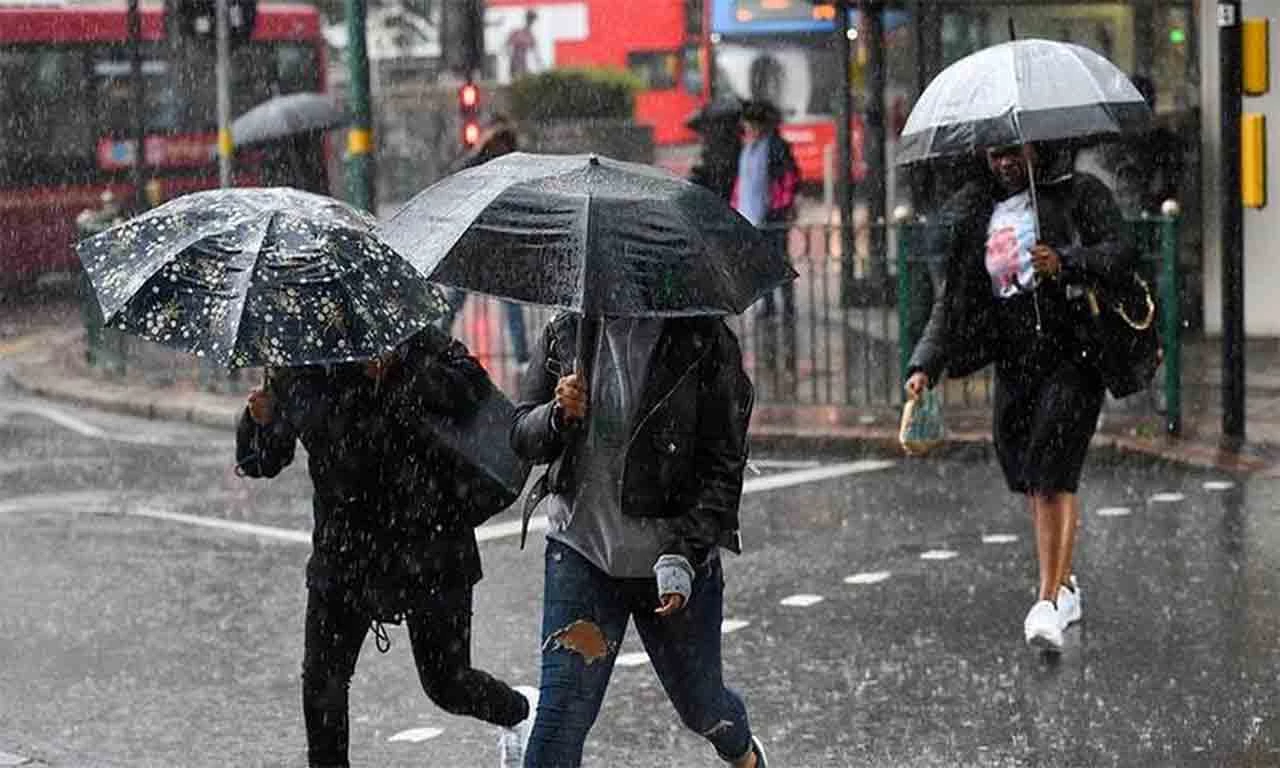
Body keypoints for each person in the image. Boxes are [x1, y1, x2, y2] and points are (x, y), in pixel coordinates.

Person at [235, 325, 537, 768]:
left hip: (430, 546)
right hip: (344, 553)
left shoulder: (410, 336)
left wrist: (400, 370)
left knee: (447, 683)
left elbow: (472, 388)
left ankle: (522, 712)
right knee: (323, 684)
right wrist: (258, 424)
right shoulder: (297, 364)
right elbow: (263, 462)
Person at [510, 313, 769, 768]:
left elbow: (724, 466)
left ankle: (744, 754)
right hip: (581, 552)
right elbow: (521, 433)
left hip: (670, 566)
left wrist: (686, 552)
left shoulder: (704, 339)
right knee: (558, 724)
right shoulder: (567, 328)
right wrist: (555, 416)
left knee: (702, 706)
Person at [904, 141, 1131, 654]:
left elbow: (1121, 251)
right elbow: (955, 298)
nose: (1005, 162)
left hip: (1074, 352)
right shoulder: (978, 211)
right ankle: (1066, 585)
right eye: (995, 154)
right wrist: (925, 364)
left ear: (1039, 145)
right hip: (1014, 357)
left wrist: (1067, 261)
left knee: (1053, 469)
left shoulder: (1078, 195)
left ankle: (1047, 601)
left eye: (1015, 151)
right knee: (1026, 471)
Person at [440, 116, 530, 367]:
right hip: (475, 245)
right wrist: (479, 149)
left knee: (511, 306)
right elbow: (457, 177)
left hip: (499, 246)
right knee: (455, 302)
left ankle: (522, 357)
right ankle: (436, 344)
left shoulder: (514, 167)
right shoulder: (477, 163)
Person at [731, 100, 798, 383]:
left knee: (777, 260)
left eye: (749, 122)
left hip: (770, 217)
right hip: (754, 216)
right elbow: (742, 183)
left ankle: (783, 305)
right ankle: (769, 304)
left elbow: (788, 180)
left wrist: (779, 207)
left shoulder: (775, 147)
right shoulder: (749, 148)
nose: (746, 127)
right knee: (763, 262)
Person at [506, 10, 542, 81]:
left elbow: (536, 53)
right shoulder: (517, 32)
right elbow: (507, 45)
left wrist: (540, 64)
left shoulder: (530, 36)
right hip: (515, 62)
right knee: (516, 79)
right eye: (530, 19)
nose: (531, 22)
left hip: (523, 63)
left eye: (532, 20)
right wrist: (509, 54)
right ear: (526, 19)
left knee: (523, 79)